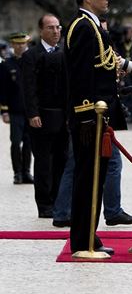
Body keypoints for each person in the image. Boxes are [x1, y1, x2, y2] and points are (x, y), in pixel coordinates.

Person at [64, 0, 129, 254]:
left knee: (96, 177)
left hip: (99, 116)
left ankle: (91, 235)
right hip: (90, 118)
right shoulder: (82, 27)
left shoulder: (92, 25)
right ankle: (82, 241)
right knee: (87, 178)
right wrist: (87, 116)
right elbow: (79, 78)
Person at [20, 15, 69, 218]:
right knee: (43, 163)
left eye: (58, 27)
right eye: (50, 28)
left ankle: (59, 202)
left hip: (63, 116)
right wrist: (32, 113)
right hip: (41, 116)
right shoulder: (31, 55)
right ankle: (45, 205)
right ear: (41, 31)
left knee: (62, 160)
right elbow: (28, 87)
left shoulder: (66, 53)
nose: (55, 31)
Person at [1, 32, 34, 184]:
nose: (21, 46)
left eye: (23, 43)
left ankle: (27, 172)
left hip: (30, 111)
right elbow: (3, 90)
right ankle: (17, 173)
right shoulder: (6, 65)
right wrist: (4, 111)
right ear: (12, 45)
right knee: (15, 142)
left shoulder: (32, 61)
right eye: (17, 43)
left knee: (29, 143)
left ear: (26, 44)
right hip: (15, 111)